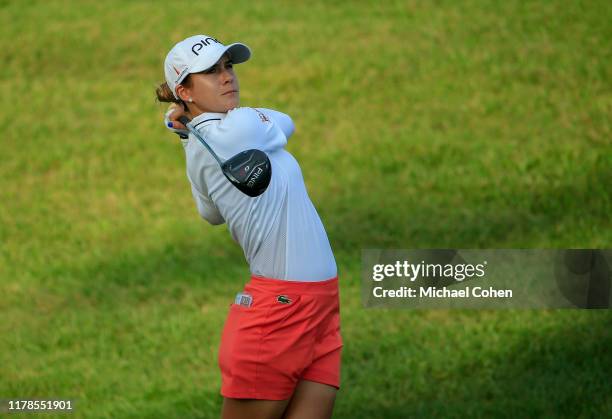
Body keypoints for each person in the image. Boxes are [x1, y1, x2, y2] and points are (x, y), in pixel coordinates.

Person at [155, 35, 343, 419]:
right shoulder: (239, 125)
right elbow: (286, 121)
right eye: (210, 71)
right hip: (279, 311)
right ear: (184, 90)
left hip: (320, 305)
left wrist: (189, 134)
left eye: (228, 66)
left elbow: (209, 212)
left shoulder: (200, 144)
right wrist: (195, 132)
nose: (227, 77)